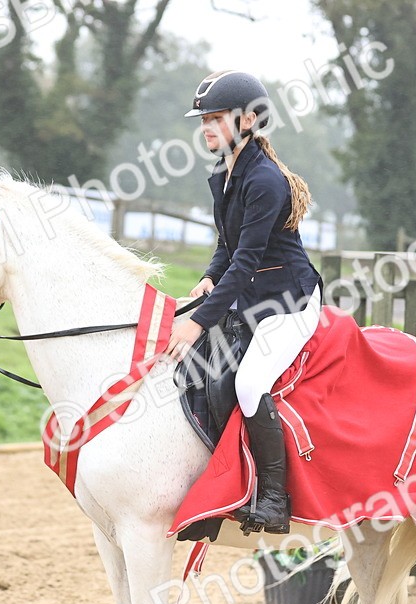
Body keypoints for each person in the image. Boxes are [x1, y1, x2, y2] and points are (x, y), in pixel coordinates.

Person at [165, 70, 323, 534]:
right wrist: (206, 280)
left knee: (250, 384)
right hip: (252, 294)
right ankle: (213, 489)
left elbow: (248, 261)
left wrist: (198, 322)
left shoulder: (265, 181)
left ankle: (274, 499)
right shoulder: (224, 174)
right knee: (199, 372)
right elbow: (227, 249)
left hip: (289, 301)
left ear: (249, 119)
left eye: (215, 118)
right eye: (203, 120)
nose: (206, 128)